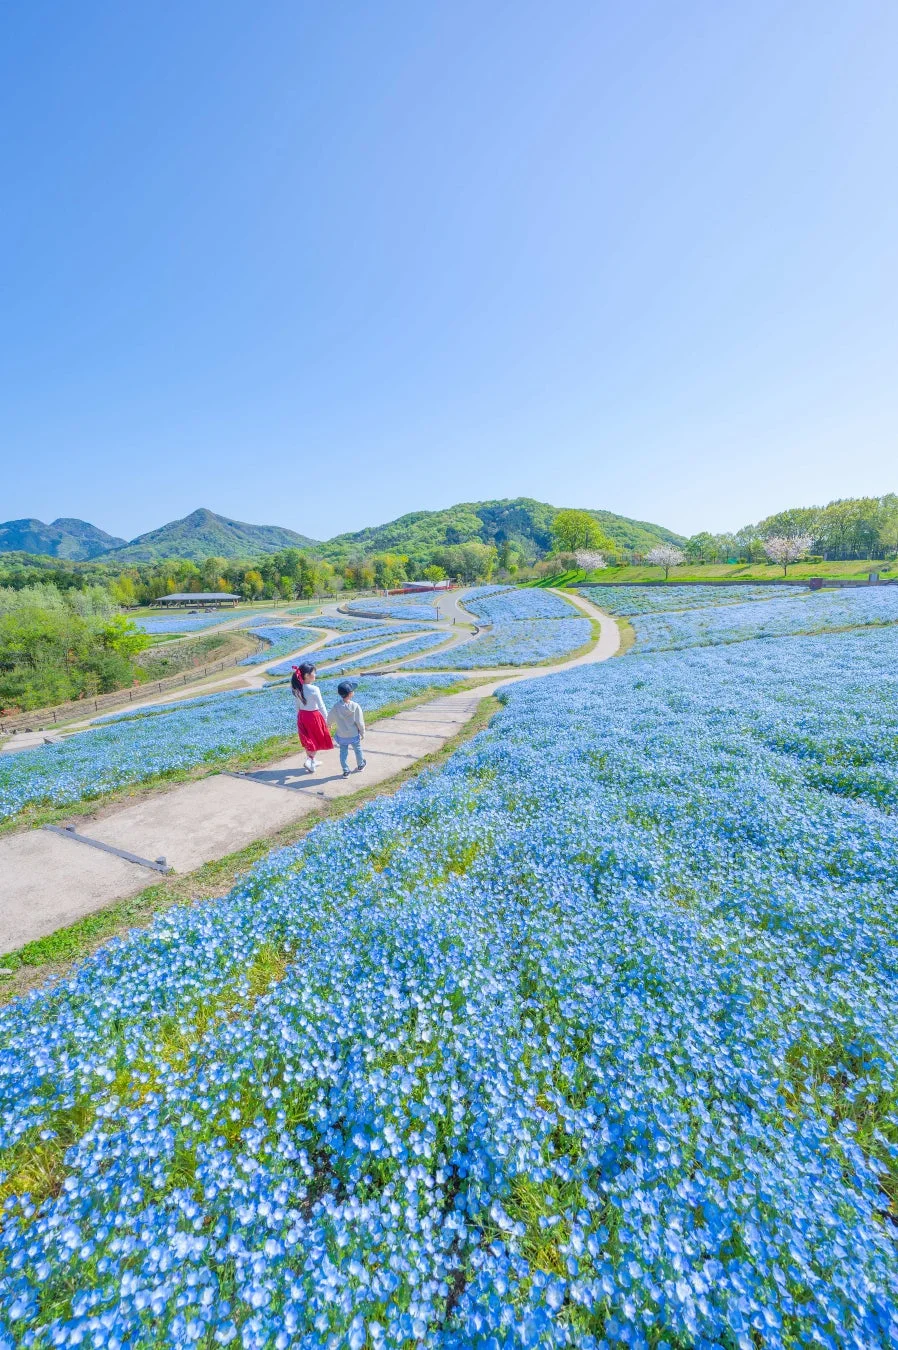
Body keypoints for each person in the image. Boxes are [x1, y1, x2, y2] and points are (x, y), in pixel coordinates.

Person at [291, 662, 333, 773]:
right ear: (307, 675)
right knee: (316, 739)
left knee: (308, 740)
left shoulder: (297, 688)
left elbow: (297, 706)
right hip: (313, 716)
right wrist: (327, 719)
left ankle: (312, 763)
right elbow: (321, 706)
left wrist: (299, 718)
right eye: (314, 672)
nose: (315, 674)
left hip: (302, 716)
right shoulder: (314, 689)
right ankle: (310, 760)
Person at [328, 679, 367, 777]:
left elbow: (330, 717)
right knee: (357, 750)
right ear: (350, 694)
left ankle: (346, 770)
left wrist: (329, 724)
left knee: (343, 753)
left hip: (342, 735)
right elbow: (360, 722)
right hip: (353, 734)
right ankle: (360, 765)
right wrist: (362, 732)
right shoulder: (355, 706)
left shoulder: (336, 706)